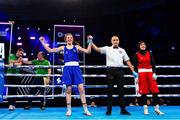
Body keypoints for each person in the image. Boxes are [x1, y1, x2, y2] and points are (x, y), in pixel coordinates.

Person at [39, 33, 92, 116]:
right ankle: (69, 110)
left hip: (76, 68)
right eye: (68, 38)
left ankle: (85, 109)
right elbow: (50, 50)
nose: (70, 39)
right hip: (67, 69)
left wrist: (90, 42)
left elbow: (88, 51)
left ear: (73, 39)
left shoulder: (77, 47)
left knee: (81, 89)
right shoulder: (62, 48)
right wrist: (43, 42)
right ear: (65, 39)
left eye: (71, 37)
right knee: (68, 90)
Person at [92, 36, 137, 115]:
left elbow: (127, 61)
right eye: (114, 40)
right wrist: (91, 42)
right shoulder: (107, 48)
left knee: (121, 91)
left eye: (117, 40)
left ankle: (123, 109)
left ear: (119, 41)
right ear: (111, 41)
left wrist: (133, 71)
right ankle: (109, 110)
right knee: (110, 91)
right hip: (110, 71)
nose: (115, 41)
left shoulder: (122, 50)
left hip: (120, 71)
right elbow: (97, 49)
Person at [133, 41, 164, 115]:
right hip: (141, 74)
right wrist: (136, 76)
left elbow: (153, 64)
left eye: (144, 44)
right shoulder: (136, 55)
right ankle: (145, 109)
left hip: (150, 73)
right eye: (141, 45)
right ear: (139, 46)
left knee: (155, 91)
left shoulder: (149, 53)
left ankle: (157, 109)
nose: (143, 46)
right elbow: (135, 66)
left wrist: (154, 73)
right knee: (144, 92)